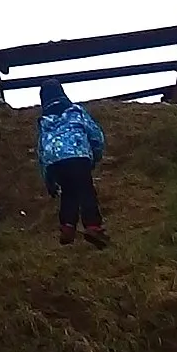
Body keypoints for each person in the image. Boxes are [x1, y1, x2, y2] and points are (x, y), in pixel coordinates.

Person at [37, 80, 109, 247]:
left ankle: (67, 227)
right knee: (85, 190)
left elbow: (41, 151)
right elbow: (95, 134)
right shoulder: (75, 112)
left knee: (68, 192)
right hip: (77, 155)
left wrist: (49, 180)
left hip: (54, 161)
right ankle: (93, 226)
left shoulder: (44, 121)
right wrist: (96, 155)